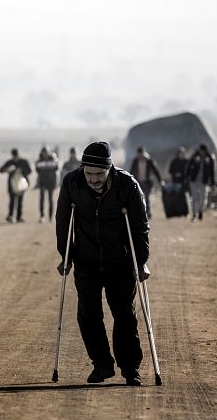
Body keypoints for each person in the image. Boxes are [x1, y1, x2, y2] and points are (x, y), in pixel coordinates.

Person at [55, 141, 150, 386]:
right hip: (86, 260)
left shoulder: (127, 185)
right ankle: (102, 365)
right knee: (88, 314)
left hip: (119, 261)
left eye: (99, 174)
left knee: (124, 315)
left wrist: (141, 262)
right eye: (89, 173)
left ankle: (130, 368)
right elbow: (63, 221)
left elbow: (139, 227)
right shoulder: (72, 183)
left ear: (109, 169)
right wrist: (65, 257)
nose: (94, 179)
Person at [0, 148, 32, 223]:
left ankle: (19, 216)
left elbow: (29, 171)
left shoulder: (24, 162)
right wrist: (8, 169)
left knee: (20, 201)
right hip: (12, 185)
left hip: (22, 184)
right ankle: (10, 216)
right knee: (12, 200)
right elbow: (1, 170)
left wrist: (21, 170)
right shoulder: (10, 162)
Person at [129, 146, 163, 218]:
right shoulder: (135, 161)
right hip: (138, 182)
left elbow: (155, 170)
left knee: (146, 197)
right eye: (139, 154)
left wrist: (160, 180)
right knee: (140, 198)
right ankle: (142, 212)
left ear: (144, 153)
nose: (140, 155)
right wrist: (129, 181)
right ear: (137, 154)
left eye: (141, 154)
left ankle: (148, 212)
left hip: (147, 182)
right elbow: (131, 171)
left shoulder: (149, 160)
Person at [186, 143, 217, 221]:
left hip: (204, 181)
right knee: (195, 198)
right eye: (201, 151)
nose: (202, 152)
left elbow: (213, 172)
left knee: (203, 198)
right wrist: (186, 177)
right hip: (193, 180)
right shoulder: (195, 156)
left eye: (203, 151)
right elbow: (188, 167)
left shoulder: (209, 158)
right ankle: (194, 214)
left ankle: (200, 211)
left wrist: (213, 183)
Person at [35, 146, 59, 222]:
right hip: (42, 182)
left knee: (50, 199)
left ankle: (50, 217)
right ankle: (42, 216)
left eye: (46, 152)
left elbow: (56, 168)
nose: (45, 154)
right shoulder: (39, 160)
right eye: (43, 152)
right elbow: (37, 169)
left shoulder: (53, 159)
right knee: (42, 199)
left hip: (51, 182)